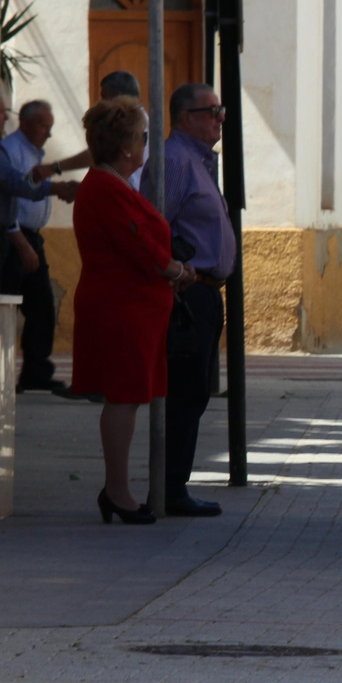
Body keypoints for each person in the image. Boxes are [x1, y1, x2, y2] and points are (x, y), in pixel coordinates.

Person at [69, 97, 195, 524]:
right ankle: (118, 491)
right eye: (143, 136)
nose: (147, 143)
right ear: (126, 146)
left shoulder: (112, 182)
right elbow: (140, 243)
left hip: (131, 306)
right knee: (123, 397)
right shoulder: (105, 187)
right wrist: (175, 269)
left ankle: (118, 490)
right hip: (119, 307)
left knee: (129, 397)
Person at [150, 83, 237, 517]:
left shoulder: (200, 161)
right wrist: (174, 273)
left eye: (220, 110)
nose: (221, 118)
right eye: (212, 111)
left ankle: (173, 484)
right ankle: (169, 487)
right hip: (186, 293)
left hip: (205, 292)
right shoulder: (175, 160)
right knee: (185, 392)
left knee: (196, 391)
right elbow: (153, 226)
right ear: (186, 117)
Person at [0, 100, 80, 395]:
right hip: (13, 237)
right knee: (7, 304)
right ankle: (1, 372)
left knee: (42, 306)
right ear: (27, 123)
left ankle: (35, 371)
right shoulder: (9, 150)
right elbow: (15, 189)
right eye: (44, 126)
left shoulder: (33, 151)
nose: (48, 133)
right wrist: (56, 187)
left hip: (32, 237)